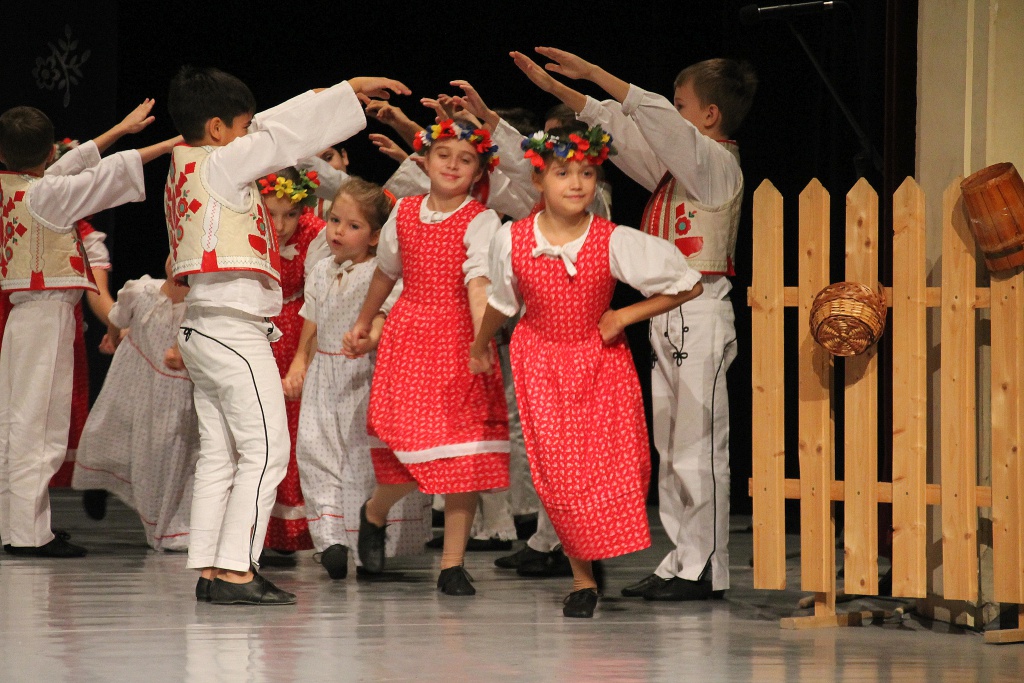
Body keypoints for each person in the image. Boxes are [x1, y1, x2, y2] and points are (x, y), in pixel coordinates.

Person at [512, 47, 757, 601]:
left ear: (709, 115)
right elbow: (623, 135)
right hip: (668, 313)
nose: (673, 112)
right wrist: (566, 94)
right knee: (671, 448)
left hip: (700, 309)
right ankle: (680, 560)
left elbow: (657, 123)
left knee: (698, 447)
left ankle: (704, 566)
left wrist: (599, 74)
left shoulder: (716, 166)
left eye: (682, 104)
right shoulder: (679, 172)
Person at [164, 65, 408, 606]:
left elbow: (267, 128)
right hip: (232, 327)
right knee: (268, 450)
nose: (250, 134)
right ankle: (237, 570)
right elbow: (279, 138)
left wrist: (323, 93)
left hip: (203, 325)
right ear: (218, 129)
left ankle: (212, 567)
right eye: (241, 126)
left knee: (221, 454)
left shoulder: (188, 162)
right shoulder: (223, 163)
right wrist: (346, 94)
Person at [469, 125, 703, 617]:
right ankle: (582, 579)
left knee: (613, 466)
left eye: (587, 173)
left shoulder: (611, 239)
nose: (576, 183)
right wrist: (479, 343)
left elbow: (688, 283)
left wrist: (624, 315)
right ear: (539, 179)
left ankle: (593, 549)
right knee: (561, 474)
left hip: (599, 363)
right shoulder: (512, 238)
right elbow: (502, 302)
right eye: (563, 173)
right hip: (541, 361)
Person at [0, 100, 177, 557]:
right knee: (39, 425)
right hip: (45, 315)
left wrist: (118, 129)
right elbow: (107, 174)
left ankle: (17, 526)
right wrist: (171, 144)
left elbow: (69, 166)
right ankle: (29, 535)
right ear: (48, 151)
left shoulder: (13, 184)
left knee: (16, 423)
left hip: (22, 318)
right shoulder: (46, 195)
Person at [345, 119, 509, 597]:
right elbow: (386, 271)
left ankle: (452, 564)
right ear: (425, 159)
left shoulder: (481, 219)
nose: (453, 165)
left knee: (463, 454)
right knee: (408, 452)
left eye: (465, 159)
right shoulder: (404, 211)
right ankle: (375, 512)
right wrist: (363, 321)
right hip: (410, 338)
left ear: (479, 169)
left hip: (460, 341)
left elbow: (479, 282)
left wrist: (480, 341)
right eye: (444, 155)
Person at [290, 177, 430, 580]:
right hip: (323, 375)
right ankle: (331, 540)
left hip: (365, 375)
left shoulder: (380, 274)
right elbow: (312, 321)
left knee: (361, 461)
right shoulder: (320, 270)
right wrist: (299, 362)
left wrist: (369, 337)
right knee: (315, 453)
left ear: (374, 236)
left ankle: (369, 542)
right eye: (334, 220)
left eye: (353, 225)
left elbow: (385, 317)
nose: (338, 231)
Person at [71, 257, 197, 551]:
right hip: (132, 381)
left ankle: (169, 523)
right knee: (111, 431)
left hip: (173, 395)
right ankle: (99, 484)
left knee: (164, 453)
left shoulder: (198, 309)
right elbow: (117, 318)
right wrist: (114, 338)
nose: (180, 268)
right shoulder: (142, 292)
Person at [257, 167, 324, 558]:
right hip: (255, 328)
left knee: (296, 430)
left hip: (298, 329)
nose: (281, 226)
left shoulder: (314, 233)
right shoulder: (243, 227)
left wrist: (302, 359)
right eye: (272, 214)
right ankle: (257, 530)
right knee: (260, 430)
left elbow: (316, 299)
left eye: (291, 215)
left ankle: (293, 531)